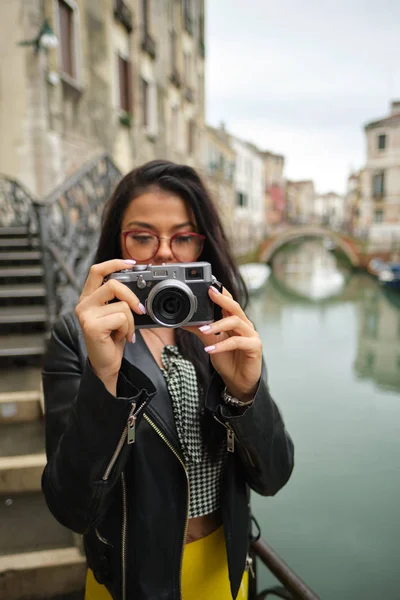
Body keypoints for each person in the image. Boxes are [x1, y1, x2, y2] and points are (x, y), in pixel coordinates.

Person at [41, 160, 294, 600]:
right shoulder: (78, 338)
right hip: (126, 580)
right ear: (115, 246)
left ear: (203, 247)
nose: (164, 253)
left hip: (223, 569)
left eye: (183, 237)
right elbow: (72, 507)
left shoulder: (227, 331)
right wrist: (104, 377)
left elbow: (273, 477)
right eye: (142, 237)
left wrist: (245, 395)